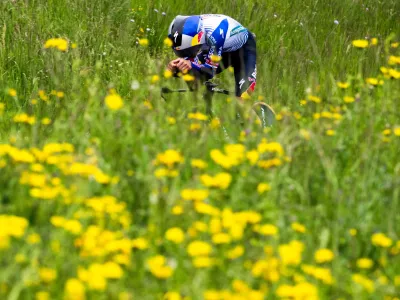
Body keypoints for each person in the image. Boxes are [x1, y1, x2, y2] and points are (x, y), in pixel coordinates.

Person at [166, 14, 275, 127]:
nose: (185, 56)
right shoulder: (193, 30)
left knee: (241, 100)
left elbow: (209, 71)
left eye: (188, 52)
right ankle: (205, 120)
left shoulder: (216, 33)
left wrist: (190, 64)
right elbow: (192, 66)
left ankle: (260, 132)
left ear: (199, 37)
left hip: (244, 50)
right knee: (192, 74)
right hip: (221, 48)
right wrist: (176, 68)